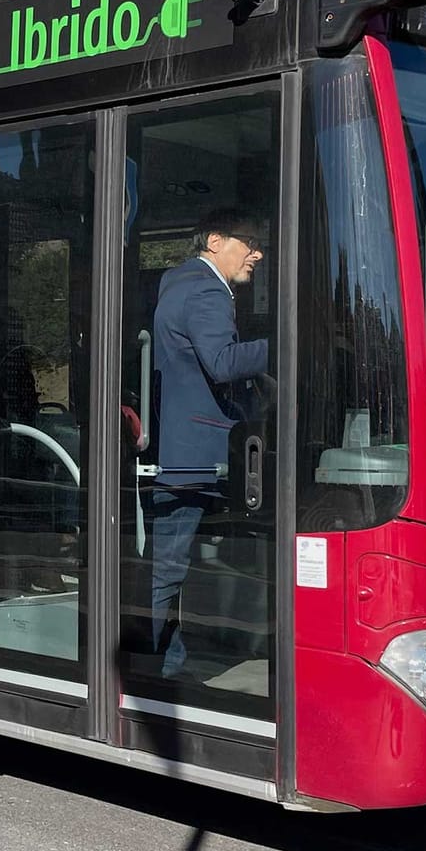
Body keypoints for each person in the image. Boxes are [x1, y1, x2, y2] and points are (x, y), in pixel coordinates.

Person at [148, 208, 270, 681]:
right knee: (172, 565)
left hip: (184, 447)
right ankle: (154, 668)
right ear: (215, 241)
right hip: (204, 452)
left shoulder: (178, 282)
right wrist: (284, 341)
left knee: (172, 564)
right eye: (249, 242)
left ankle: (168, 662)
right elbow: (221, 362)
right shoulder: (205, 288)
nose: (257, 253)